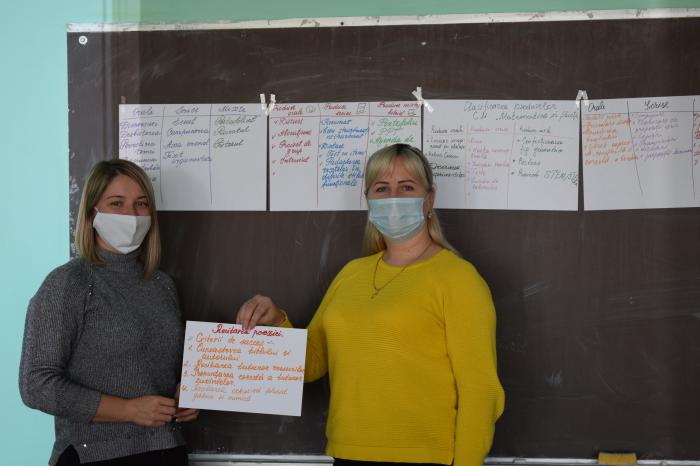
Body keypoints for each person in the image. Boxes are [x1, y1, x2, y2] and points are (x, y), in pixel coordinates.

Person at [237, 144, 505, 466]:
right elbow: (312, 363)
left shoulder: (458, 279)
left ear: (429, 199)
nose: (393, 197)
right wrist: (276, 321)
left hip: (424, 459)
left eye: (407, 187)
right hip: (348, 453)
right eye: (382, 188)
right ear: (369, 200)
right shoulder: (352, 274)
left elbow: (480, 391)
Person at [19, 159, 199, 466]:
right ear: (92, 213)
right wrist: (128, 410)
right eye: (117, 203)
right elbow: (36, 385)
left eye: (141, 204)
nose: (131, 215)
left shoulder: (162, 285)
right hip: (94, 454)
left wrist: (187, 395)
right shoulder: (69, 283)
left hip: (167, 449)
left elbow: (160, 370)